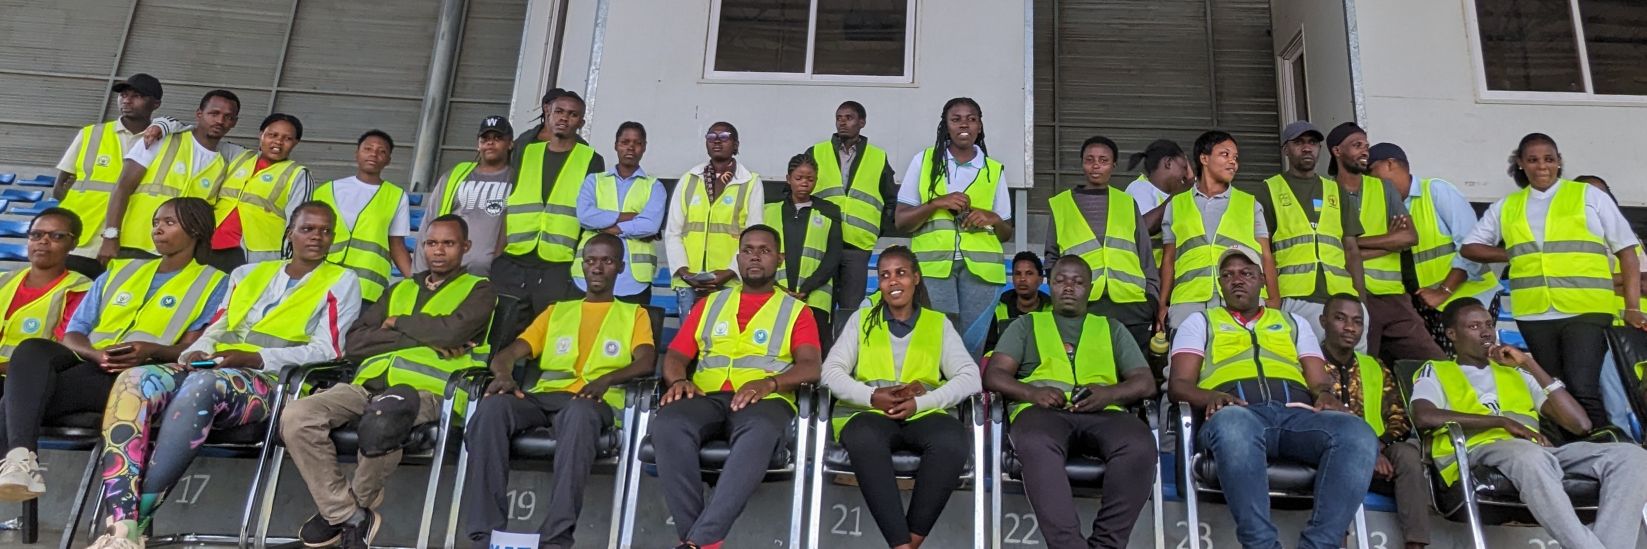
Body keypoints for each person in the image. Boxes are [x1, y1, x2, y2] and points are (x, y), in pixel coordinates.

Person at [87, 202, 361, 548]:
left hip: (274, 383)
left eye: (326, 231)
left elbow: (327, 351)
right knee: (134, 380)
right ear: (290, 233)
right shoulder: (248, 274)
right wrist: (195, 352)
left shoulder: (342, 280)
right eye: (308, 229)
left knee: (203, 386)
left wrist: (255, 358)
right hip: (216, 367)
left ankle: (132, 525)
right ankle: (122, 523)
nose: (317, 237)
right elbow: (217, 327)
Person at [282, 214, 494, 549]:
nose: (438, 250)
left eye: (448, 243)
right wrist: (427, 335)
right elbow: (356, 342)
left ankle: (345, 511)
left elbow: (454, 331)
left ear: (465, 247)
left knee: (385, 418)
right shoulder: (400, 288)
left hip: (429, 390)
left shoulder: (480, 290)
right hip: (366, 383)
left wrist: (396, 324)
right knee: (297, 416)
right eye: (431, 243)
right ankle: (347, 513)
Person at [0, 199, 222, 502]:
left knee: (14, 399)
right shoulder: (121, 270)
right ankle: (21, 460)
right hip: (91, 361)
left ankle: (21, 461)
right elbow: (74, 333)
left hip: (140, 376)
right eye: (156, 222)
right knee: (31, 349)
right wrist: (96, 354)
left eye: (168, 223)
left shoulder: (214, 282)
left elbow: (193, 349)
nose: (158, 229)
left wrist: (151, 350)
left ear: (195, 229)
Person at [1167, 246, 1377, 549]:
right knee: (1235, 424)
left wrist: (1326, 395)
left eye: (1247, 274)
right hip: (1236, 413)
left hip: (1295, 416)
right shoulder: (1201, 322)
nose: (1237, 280)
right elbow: (1180, 385)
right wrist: (1212, 395)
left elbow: (1318, 380)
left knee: (1357, 433)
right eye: (1228, 275)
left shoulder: (1294, 323)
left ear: (1263, 280)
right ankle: (1261, 544)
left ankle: (1320, 545)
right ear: (1220, 284)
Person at [461, 233, 654, 548]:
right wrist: (505, 376)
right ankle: (486, 535)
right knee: (492, 408)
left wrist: (606, 380)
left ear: (620, 267)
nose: (597, 268)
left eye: (606, 261)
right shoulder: (556, 311)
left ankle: (555, 538)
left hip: (595, 401)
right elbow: (506, 354)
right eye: (591, 260)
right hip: (546, 395)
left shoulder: (634, 314)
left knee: (579, 415)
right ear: (582, 265)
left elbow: (646, 361)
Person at [1411, 298, 1647, 549]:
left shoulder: (1518, 373)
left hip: (1538, 453)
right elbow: (1424, 415)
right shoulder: (1435, 371)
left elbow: (1580, 424)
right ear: (1452, 334)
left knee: (1633, 457)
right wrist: (1501, 422)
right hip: (1478, 452)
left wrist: (1529, 363)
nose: (1485, 332)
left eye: (1489, 325)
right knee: (1528, 455)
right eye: (1474, 326)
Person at [652, 225, 821, 549]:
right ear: (738, 257)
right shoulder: (710, 304)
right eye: (748, 250)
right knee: (669, 424)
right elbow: (675, 355)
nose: (754, 256)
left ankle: (696, 542)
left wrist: (770, 382)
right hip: (707, 395)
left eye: (764, 250)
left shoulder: (796, 310)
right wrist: (679, 380)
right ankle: (702, 543)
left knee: (759, 431)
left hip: (765, 400)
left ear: (779, 259)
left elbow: (811, 367)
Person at [1461, 132, 1643, 434]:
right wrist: (1513, 253)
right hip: (1535, 313)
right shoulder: (1508, 206)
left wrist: (1633, 307)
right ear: (1520, 164)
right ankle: (1573, 456)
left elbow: (1627, 252)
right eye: (1532, 160)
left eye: (1549, 159)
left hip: (1586, 308)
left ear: (1559, 162)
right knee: (1553, 389)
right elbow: (1470, 246)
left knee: (1582, 386)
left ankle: (1605, 449)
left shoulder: (1588, 196)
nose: (1541, 166)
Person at [984, 255, 1158, 549]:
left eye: (1078, 282)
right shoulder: (1027, 324)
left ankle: (1106, 544)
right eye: (1061, 280)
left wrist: (1108, 394)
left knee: (1139, 445)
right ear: (1050, 284)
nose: (1069, 287)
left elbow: (1145, 382)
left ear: (1090, 288)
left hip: (1104, 411)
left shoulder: (1111, 327)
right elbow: (994, 375)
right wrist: (1031, 393)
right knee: (1037, 443)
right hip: (1042, 412)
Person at [819, 246, 979, 549]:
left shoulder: (938, 323)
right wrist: (871, 396)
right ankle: (901, 545)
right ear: (878, 283)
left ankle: (907, 543)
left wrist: (922, 403)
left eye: (901, 273)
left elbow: (970, 378)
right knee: (864, 437)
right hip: (869, 414)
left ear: (916, 278)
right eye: (884, 275)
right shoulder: (862, 320)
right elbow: (830, 372)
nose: (893, 281)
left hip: (923, 414)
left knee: (951, 441)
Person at [894, 97, 1012, 356]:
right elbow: (901, 221)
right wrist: (936, 203)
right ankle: (940, 395)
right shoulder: (923, 161)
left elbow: (1006, 232)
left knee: (972, 344)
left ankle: (967, 396)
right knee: (939, 342)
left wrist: (993, 218)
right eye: (956, 119)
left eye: (971, 119)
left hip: (983, 273)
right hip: (934, 268)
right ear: (945, 126)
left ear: (980, 126)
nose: (964, 124)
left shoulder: (993, 170)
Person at [1316, 294, 1428, 549]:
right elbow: (1312, 412)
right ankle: (1336, 541)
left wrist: (1379, 445)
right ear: (1323, 321)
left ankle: (1416, 544)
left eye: (1357, 322)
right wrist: (1364, 449)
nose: (1349, 328)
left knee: (1409, 455)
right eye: (1340, 319)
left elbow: (1398, 416)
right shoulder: (1311, 364)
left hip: (1381, 451)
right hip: (1331, 447)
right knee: (1338, 457)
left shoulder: (1374, 366)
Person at [1365, 143, 1499, 355]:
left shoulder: (1435, 191)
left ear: (1390, 164)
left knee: (1469, 369)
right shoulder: (1384, 208)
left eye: (1370, 170)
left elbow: (1471, 246)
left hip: (1466, 301)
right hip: (1427, 307)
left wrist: (1442, 292)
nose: (1368, 179)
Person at [1326, 123, 1440, 364]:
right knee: (1362, 371)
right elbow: (1331, 248)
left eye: (1366, 146)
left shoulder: (1383, 188)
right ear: (1337, 151)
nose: (1365, 151)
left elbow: (1409, 237)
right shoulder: (1325, 191)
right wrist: (1388, 241)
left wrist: (1355, 245)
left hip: (1394, 300)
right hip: (1350, 298)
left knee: (1437, 364)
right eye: (1357, 145)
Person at [1247, 120, 1368, 341]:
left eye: (1312, 142)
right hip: (1293, 297)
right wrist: (1272, 299)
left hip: (1340, 297)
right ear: (1285, 149)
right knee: (1301, 366)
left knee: (1347, 367)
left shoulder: (1335, 190)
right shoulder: (1269, 190)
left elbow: (1351, 250)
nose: (1306, 148)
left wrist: (1360, 301)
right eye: (1298, 142)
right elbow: (1261, 252)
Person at [55, 73, 181, 277]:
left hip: (130, 244)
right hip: (82, 241)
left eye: (136, 96)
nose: (127, 100)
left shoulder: (165, 142)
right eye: (123, 95)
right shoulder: (91, 134)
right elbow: (60, 189)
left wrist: (165, 123)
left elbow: (190, 127)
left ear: (156, 103)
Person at [101, 89, 245, 262]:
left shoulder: (222, 164)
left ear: (234, 122)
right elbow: (122, 187)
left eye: (228, 117)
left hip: (179, 256)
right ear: (199, 114)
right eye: (214, 113)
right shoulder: (160, 139)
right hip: (135, 246)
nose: (220, 121)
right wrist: (110, 235)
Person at [497, 89, 606, 316]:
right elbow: (510, 204)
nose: (564, 118)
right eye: (559, 111)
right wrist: (497, 256)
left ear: (581, 122)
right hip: (514, 258)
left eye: (572, 114)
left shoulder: (591, 159)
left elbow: (591, 213)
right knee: (504, 330)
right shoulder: (526, 151)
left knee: (548, 332)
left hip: (559, 262)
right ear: (548, 113)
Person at [1045, 135, 1157, 351]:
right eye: (1090, 160)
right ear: (1082, 163)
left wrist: (1151, 297)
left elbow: (1145, 254)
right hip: (1084, 303)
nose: (1096, 166)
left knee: (1134, 371)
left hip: (1132, 304)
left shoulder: (1127, 202)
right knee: (1091, 367)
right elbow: (1052, 257)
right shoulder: (1060, 204)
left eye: (1103, 160)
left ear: (1113, 165)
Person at [1158, 131, 1277, 329]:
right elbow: (1169, 259)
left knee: (1241, 359)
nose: (1233, 162)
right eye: (1225, 154)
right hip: (1188, 302)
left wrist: (1273, 299)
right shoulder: (1176, 205)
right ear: (1204, 158)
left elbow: (1266, 256)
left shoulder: (1249, 204)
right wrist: (1163, 304)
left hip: (1243, 301)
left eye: (1235, 157)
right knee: (1186, 359)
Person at [807, 101, 898, 329]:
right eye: (839, 117)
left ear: (862, 122)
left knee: (850, 310)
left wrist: (878, 229)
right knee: (818, 306)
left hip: (857, 246)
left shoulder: (877, 156)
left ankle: (843, 361)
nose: (842, 121)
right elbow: (801, 189)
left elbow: (889, 199)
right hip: (822, 242)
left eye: (849, 117)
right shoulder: (817, 151)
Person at [664, 121, 764, 316]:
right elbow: (673, 232)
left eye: (724, 136)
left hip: (729, 281)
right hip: (689, 280)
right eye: (711, 137)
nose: (717, 141)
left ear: (736, 145)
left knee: (723, 341)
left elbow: (754, 237)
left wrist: (728, 272)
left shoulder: (750, 182)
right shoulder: (689, 179)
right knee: (688, 343)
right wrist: (685, 273)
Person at [203, 113, 311, 272]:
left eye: (287, 138)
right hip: (209, 245)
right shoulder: (238, 156)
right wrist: (162, 125)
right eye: (272, 135)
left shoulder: (298, 174)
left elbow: (298, 225)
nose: (278, 142)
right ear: (261, 135)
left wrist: (288, 264)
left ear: (296, 143)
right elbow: (200, 136)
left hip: (253, 258)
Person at [315, 129, 412, 305]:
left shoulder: (396, 196)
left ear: (388, 160)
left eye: (381, 151)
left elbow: (396, 244)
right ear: (357, 153)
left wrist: (416, 282)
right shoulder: (326, 190)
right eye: (368, 148)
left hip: (367, 288)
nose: (374, 154)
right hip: (322, 280)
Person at [574, 121, 665, 305]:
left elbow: (650, 225)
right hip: (589, 277)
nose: (631, 147)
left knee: (630, 331)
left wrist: (608, 228)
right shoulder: (594, 181)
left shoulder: (654, 186)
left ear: (644, 147)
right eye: (625, 142)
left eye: (637, 143)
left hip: (633, 280)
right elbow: (585, 216)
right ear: (616, 145)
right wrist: (627, 217)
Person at [421, 115, 515, 277]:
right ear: (478, 144)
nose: (490, 142)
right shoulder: (455, 176)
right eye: (485, 138)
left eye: (498, 138)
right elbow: (429, 223)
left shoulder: (518, 178)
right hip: (448, 273)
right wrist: (421, 272)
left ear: (510, 143)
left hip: (494, 276)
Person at [0, 208, 94, 370]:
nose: (43, 241)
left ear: (73, 244)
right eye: (36, 234)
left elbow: (64, 352)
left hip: (28, 379)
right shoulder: (3, 280)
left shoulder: (79, 289)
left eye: (57, 236)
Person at [767, 153, 843, 344]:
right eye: (798, 178)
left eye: (810, 179)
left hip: (816, 298)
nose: (804, 183)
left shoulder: (828, 211)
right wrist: (779, 288)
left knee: (812, 348)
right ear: (788, 179)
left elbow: (833, 256)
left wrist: (806, 288)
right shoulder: (769, 210)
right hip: (776, 295)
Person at [1124, 139, 1192, 267]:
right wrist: (1183, 190)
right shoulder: (1140, 188)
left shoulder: (1177, 196)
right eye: (1184, 167)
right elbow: (1145, 226)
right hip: (1149, 279)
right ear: (1168, 163)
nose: (1186, 176)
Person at [986, 251, 1050, 352]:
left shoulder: (1052, 310)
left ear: (1040, 279)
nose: (1022, 279)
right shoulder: (997, 308)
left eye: (1029, 273)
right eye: (1018, 274)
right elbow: (988, 350)